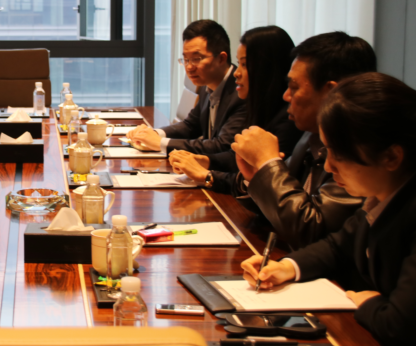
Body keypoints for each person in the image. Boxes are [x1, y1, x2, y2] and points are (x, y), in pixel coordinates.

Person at [241, 73, 416, 346]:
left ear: (391, 157)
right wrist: (286, 267)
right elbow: (337, 246)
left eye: (339, 154)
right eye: (327, 151)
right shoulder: (379, 196)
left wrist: (367, 303)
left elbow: (400, 327)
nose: (329, 166)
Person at [231, 31, 377, 249]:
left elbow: (313, 230)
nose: (286, 96)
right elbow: (280, 206)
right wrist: (255, 177)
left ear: (331, 92)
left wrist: (268, 164)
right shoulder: (310, 135)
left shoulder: (361, 149)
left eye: (294, 87)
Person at [169, 26, 302, 194]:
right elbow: (237, 156)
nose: (236, 73)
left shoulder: (288, 121)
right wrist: (204, 160)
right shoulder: (259, 107)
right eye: (239, 64)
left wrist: (207, 176)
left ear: (268, 68)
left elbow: (266, 185)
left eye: (245, 65)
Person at [128, 19, 246, 154]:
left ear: (221, 58)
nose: (189, 67)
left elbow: (222, 145)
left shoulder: (241, 93)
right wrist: (154, 134)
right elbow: (191, 125)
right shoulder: (207, 85)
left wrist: (160, 143)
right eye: (186, 59)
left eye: (196, 59)